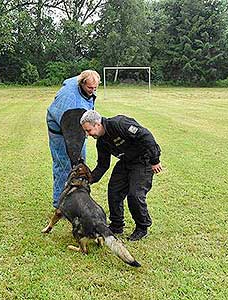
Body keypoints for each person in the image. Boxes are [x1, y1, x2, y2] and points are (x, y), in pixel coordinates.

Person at [80, 110, 162, 241]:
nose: (87, 134)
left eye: (88, 130)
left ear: (97, 124)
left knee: (135, 195)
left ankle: (142, 228)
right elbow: (102, 165)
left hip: (143, 161)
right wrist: (88, 179)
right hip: (126, 162)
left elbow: (146, 135)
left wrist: (155, 160)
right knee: (114, 191)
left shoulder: (119, 124)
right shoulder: (101, 142)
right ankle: (117, 225)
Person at [46, 70, 100, 210]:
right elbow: (74, 138)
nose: (93, 91)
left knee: (79, 164)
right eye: (90, 88)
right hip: (59, 126)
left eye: (95, 87)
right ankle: (61, 205)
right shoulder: (73, 106)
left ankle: (78, 199)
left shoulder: (81, 81)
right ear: (82, 83)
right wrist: (77, 162)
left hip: (75, 122)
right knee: (64, 165)